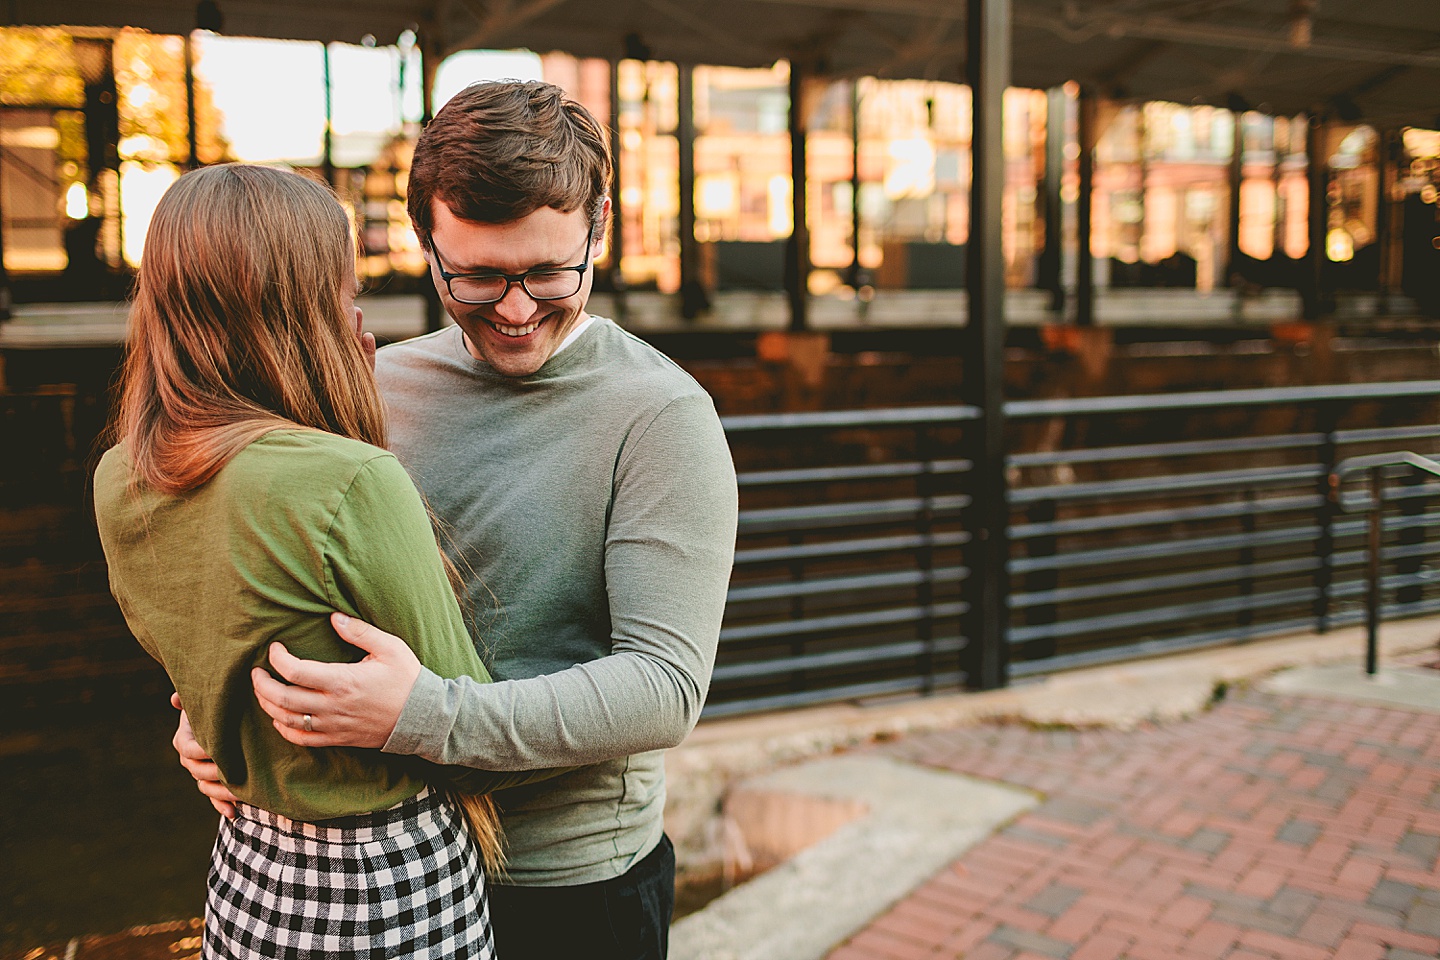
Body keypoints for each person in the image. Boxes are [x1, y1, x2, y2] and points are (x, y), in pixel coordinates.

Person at [176, 81, 739, 960]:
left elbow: (663, 687)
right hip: (391, 867)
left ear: (601, 227)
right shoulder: (374, 384)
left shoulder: (663, 414)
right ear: (425, 243)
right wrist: (211, 711)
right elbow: (279, 581)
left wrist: (423, 716)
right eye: (476, 275)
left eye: (550, 271)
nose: (516, 309)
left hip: (568, 881)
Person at [97, 162, 549, 959]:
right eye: (345, 289)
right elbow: (474, 733)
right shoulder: (350, 480)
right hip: (386, 881)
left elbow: (205, 669)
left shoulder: (119, 476)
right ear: (300, 307)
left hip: (248, 866)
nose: (357, 312)